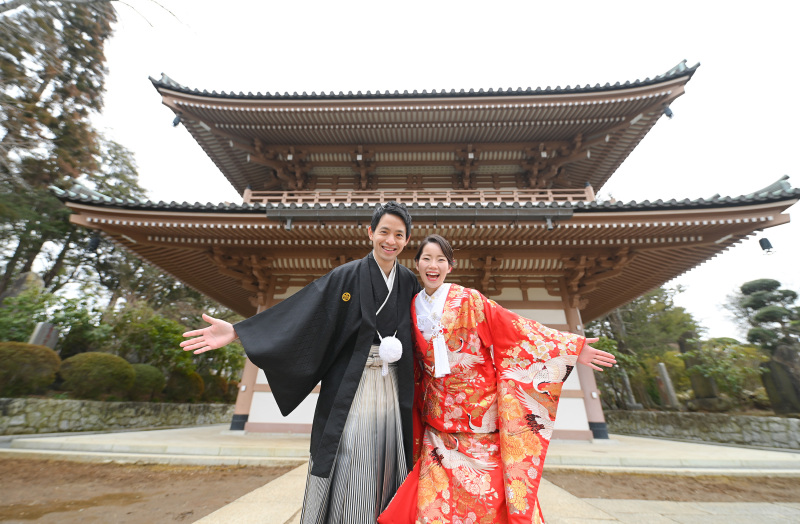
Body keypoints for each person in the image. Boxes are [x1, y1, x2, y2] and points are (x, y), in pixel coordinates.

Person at [180, 201, 422, 524]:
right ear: (370, 233)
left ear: (407, 240)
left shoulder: (409, 282)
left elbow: (426, 330)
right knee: (353, 454)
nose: (390, 241)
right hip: (353, 387)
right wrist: (239, 331)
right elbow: (304, 314)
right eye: (384, 232)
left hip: (392, 385)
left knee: (390, 453)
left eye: (399, 235)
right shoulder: (345, 276)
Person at [379, 234, 616, 524]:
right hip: (438, 423)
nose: (433, 265)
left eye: (441, 259)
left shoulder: (470, 300)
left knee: (491, 498)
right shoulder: (413, 306)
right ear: (417, 264)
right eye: (426, 258)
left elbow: (514, 328)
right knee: (433, 503)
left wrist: (572, 348)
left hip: (480, 419)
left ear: (450, 266)